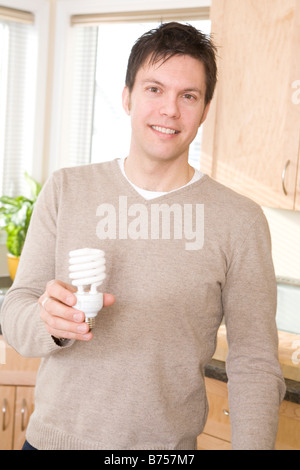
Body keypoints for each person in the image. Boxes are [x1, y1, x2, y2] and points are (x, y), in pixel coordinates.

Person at [0, 22, 285, 450]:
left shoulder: (239, 221)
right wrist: (50, 322)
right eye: (154, 89)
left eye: (188, 95)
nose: (170, 109)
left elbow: (255, 365)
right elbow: (16, 314)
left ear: (205, 109)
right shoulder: (66, 190)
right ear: (127, 96)